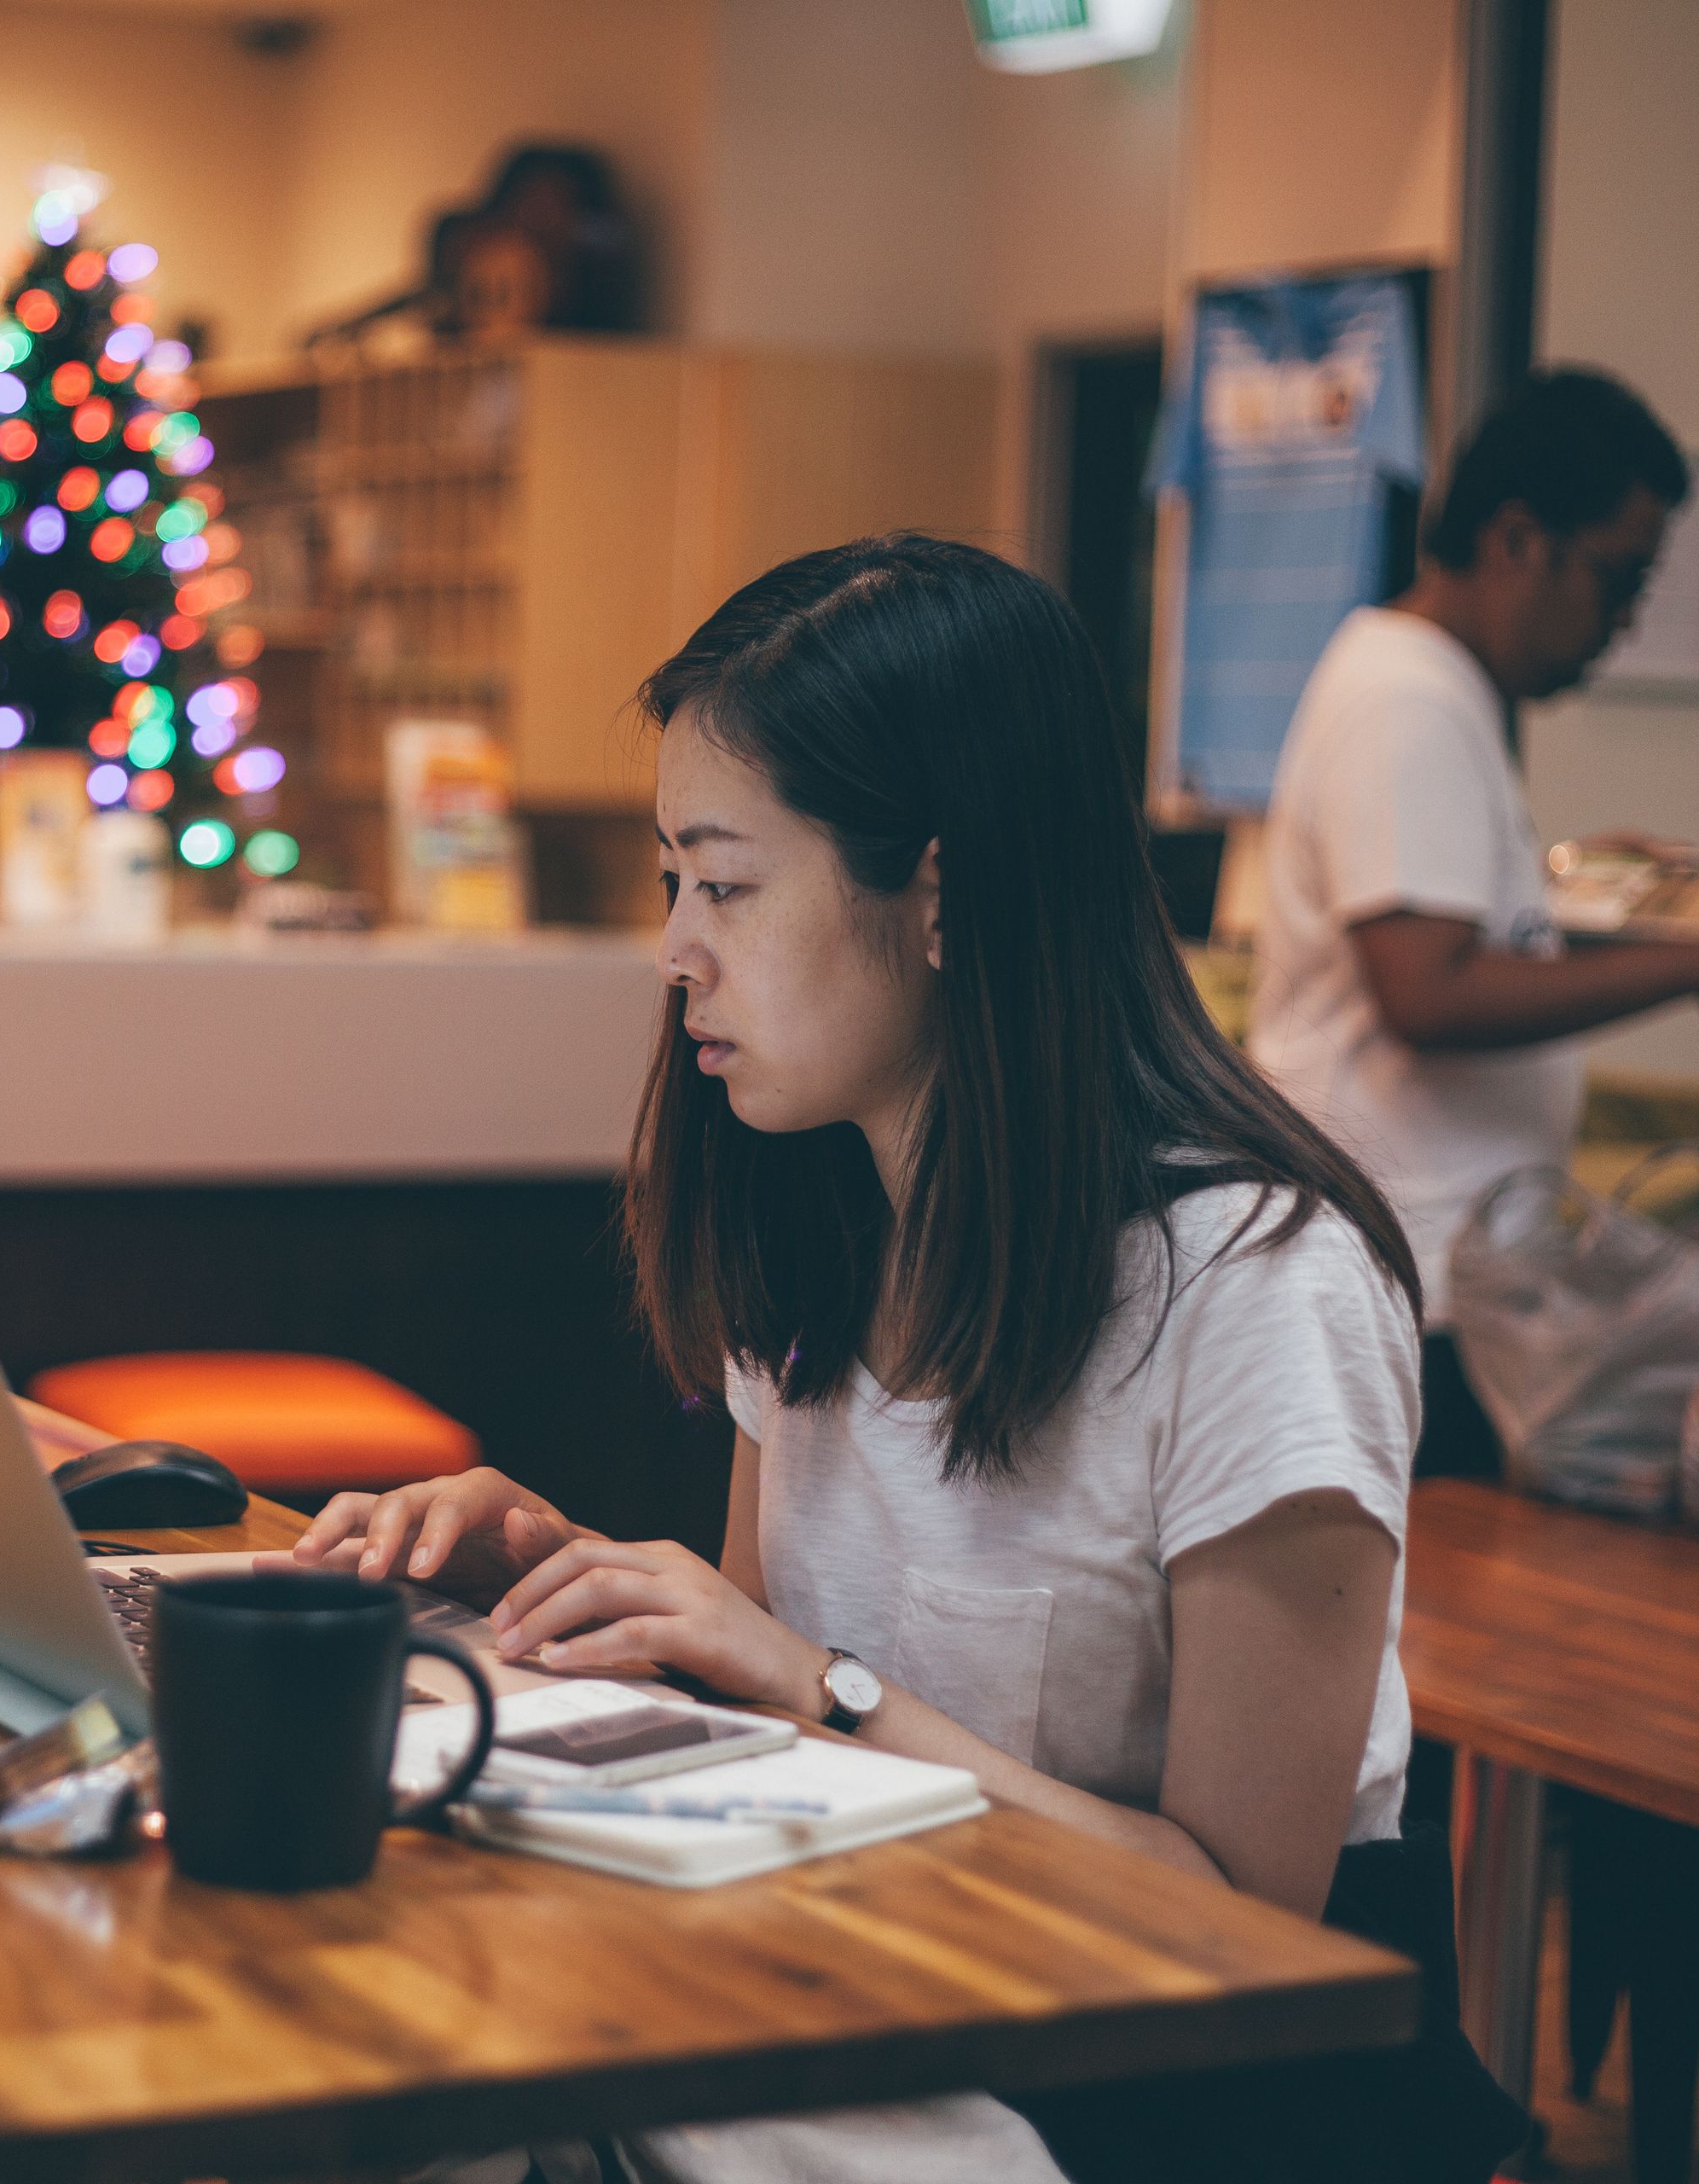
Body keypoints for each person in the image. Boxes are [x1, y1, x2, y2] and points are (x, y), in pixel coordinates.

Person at [299, 537, 1521, 2184]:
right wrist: (570, 1590)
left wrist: (815, 1685)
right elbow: (758, 1708)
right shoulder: (813, 1210)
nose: (676, 952)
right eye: (672, 884)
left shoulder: (1259, 1285)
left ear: (940, 894)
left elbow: (1243, 1921)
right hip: (871, 1981)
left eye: (726, 886)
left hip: (1173, 2088)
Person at [1250, 368, 1699, 1481]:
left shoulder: (1428, 685)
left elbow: (1441, 928)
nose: (1624, 622)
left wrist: (1575, 900)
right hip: (1403, 1276)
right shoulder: (1406, 698)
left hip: (1426, 1270)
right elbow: (1427, 989)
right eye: (1618, 579)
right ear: (1517, 540)